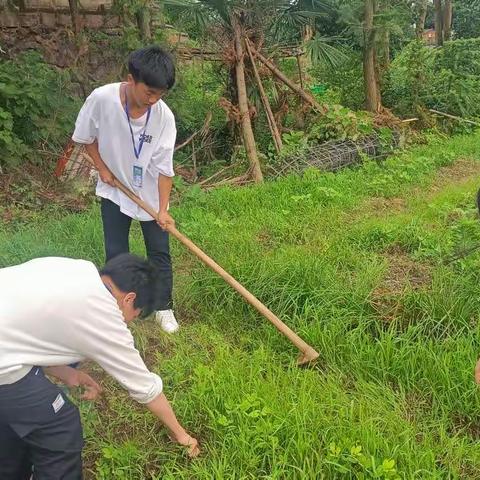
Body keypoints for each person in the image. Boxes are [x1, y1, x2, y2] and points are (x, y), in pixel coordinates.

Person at [0, 254, 199, 479]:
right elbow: (145, 388)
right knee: (60, 427)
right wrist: (182, 436)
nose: (129, 321)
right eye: (137, 313)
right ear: (129, 299)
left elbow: (22, 328)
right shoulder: (104, 315)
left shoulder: (78, 269)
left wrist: (66, 372)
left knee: (13, 427)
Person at [72, 45, 179, 333]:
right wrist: (102, 168)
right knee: (116, 251)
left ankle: (163, 306)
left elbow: (165, 168)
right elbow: (86, 137)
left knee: (159, 252)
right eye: (149, 92)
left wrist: (162, 209)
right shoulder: (102, 99)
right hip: (115, 188)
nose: (154, 99)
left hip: (150, 194)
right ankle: (115, 306)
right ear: (131, 79)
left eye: (160, 94)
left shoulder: (163, 117)